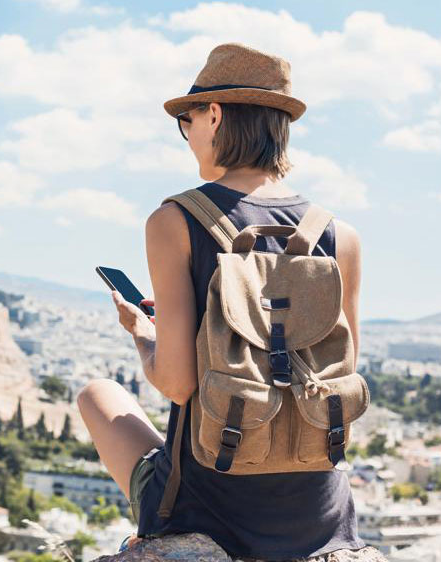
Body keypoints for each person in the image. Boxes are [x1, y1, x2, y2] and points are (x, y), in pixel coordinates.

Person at [77, 43, 388, 561]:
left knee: (97, 394)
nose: (187, 135)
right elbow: (342, 368)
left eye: (188, 120)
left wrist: (146, 336)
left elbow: (177, 383)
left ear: (215, 115)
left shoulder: (176, 221)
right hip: (319, 518)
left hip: (207, 510)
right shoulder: (340, 235)